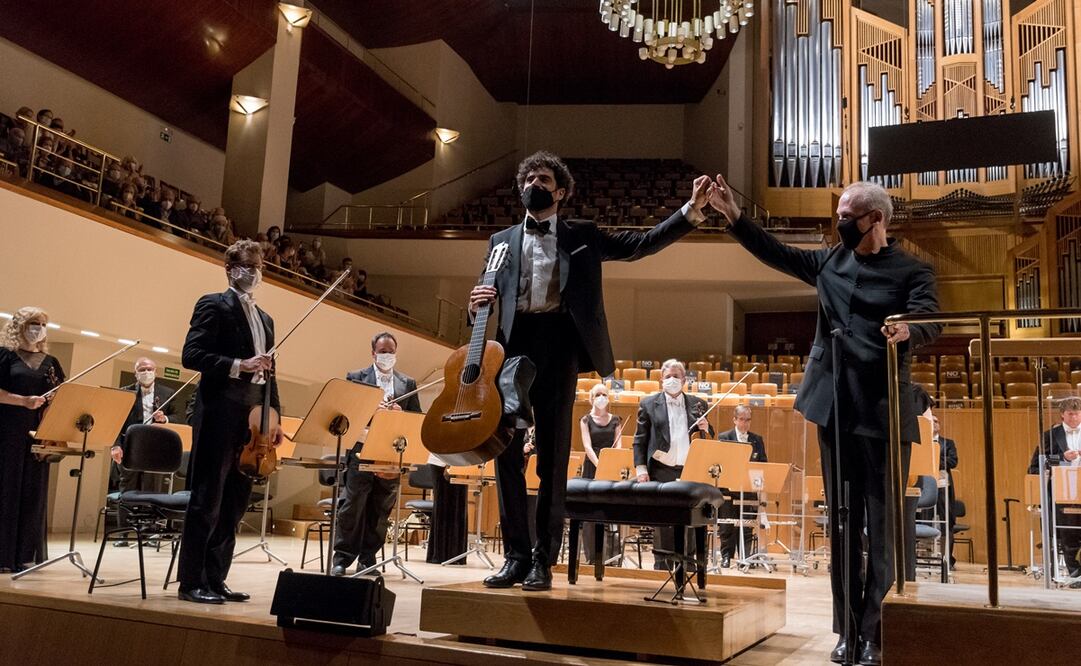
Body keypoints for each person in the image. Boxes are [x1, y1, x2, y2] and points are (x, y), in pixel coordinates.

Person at [709, 175, 940, 666]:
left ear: (874, 219)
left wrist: (909, 329)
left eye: (846, 217)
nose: (837, 225)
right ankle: (846, 630)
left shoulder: (911, 271)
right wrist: (734, 215)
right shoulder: (830, 262)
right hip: (834, 407)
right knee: (841, 523)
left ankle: (874, 634)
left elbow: (930, 318)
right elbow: (778, 254)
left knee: (879, 528)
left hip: (881, 411)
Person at [470, 151, 710, 591]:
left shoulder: (582, 234)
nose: (533, 184)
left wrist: (688, 213)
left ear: (560, 192)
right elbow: (487, 300)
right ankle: (516, 559)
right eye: (528, 178)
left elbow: (641, 245)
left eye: (543, 178)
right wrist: (475, 308)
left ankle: (544, 560)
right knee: (505, 455)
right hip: (511, 348)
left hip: (558, 345)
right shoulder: (499, 240)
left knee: (553, 460)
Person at [177, 239, 282, 604]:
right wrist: (239, 365)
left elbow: (271, 373)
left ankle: (216, 578)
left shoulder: (266, 319)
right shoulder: (212, 304)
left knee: (237, 501)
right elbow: (191, 354)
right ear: (230, 269)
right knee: (208, 498)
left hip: (253, 417)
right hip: (220, 410)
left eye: (258, 266)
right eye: (246, 265)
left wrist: (275, 417)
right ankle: (191, 581)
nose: (253, 272)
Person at [331, 332, 421, 576]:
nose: (387, 355)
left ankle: (368, 559)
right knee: (353, 505)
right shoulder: (356, 377)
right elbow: (346, 414)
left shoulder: (408, 383)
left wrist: (400, 412)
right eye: (382, 351)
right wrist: (371, 410)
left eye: (391, 351)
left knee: (381, 508)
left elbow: (416, 418)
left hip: (389, 453)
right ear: (373, 353)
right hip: (361, 448)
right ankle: (342, 558)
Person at [0, 307, 65, 573]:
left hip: (36, 434)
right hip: (6, 432)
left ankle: (23, 555)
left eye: (42, 323)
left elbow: (59, 395)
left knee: (32, 491)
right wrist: (23, 401)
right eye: (33, 323)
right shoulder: (5, 355)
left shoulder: (51, 362)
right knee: (6, 489)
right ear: (20, 325)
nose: (38, 327)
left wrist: (50, 409)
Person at [632, 359, 714, 570]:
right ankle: (664, 566)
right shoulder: (648, 404)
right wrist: (641, 470)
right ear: (661, 380)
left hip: (689, 470)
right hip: (661, 470)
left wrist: (707, 427)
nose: (672, 380)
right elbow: (640, 440)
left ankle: (689, 568)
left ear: (684, 380)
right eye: (668, 376)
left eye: (676, 376)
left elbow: (707, 438)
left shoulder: (698, 403)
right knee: (665, 521)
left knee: (691, 519)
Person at [1027, 396, 1081, 579]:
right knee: (1069, 535)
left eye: (1078, 414)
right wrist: (1063, 458)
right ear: (1062, 415)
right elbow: (1035, 466)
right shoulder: (1049, 435)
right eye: (1070, 414)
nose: (1074, 418)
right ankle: (1075, 573)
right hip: (1063, 492)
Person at [109, 358, 176, 496]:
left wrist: (165, 419)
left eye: (149, 369)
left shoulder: (168, 393)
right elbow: (114, 422)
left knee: (152, 493)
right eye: (142, 370)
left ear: (155, 372)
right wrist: (115, 446)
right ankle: (126, 517)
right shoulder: (125, 392)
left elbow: (178, 418)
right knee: (128, 491)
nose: (146, 372)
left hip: (155, 450)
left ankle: (149, 518)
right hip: (130, 449)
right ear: (135, 374)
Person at [717, 405, 768, 567]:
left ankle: (744, 558)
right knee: (727, 526)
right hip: (728, 490)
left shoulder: (757, 440)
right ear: (735, 419)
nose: (745, 423)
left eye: (748, 420)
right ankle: (726, 557)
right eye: (741, 419)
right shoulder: (724, 437)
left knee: (746, 526)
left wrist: (759, 488)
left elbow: (763, 465)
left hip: (748, 491)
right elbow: (720, 463)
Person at [580, 383, 622, 564]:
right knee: (591, 510)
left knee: (611, 509)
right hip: (592, 466)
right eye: (597, 394)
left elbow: (618, 445)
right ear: (591, 398)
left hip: (610, 467)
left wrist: (610, 464)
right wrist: (600, 464)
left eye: (604, 394)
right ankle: (593, 557)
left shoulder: (616, 420)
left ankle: (612, 556)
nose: (601, 397)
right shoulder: (585, 420)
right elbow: (587, 446)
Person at [930, 413, 958, 568]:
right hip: (926, 485)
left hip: (943, 486)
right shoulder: (921, 442)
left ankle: (947, 559)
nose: (934, 424)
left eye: (936, 421)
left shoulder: (948, 443)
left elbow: (953, 461)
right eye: (931, 421)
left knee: (947, 522)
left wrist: (933, 458)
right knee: (923, 519)